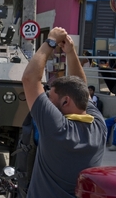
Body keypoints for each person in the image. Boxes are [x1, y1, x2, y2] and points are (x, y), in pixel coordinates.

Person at [22, 27, 107, 198]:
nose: (47, 100)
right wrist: (70, 52)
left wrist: (51, 41)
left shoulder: (58, 128)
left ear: (66, 101)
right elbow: (81, 86)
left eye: (50, 97)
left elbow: (30, 79)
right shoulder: (98, 125)